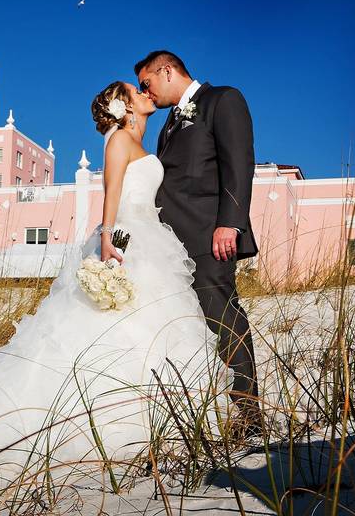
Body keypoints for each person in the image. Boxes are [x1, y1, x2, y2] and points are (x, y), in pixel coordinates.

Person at [0, 81, 233, 490]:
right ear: (124, 105)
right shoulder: (119, 140)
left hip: (152, 238)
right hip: (129, 238)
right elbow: (111, 194)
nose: (146, 92)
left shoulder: (138, 139)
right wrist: (109, 242)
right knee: (119, 324)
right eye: (138, 90)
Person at [135, 50, 261, 434]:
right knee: (194, 327)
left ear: (168, 71)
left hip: (210, 236)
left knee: (222, 317)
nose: (146, 92)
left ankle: (248, 413)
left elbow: (239, 163)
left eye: (147, 83)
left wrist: (230, 224)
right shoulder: (168, 124)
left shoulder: (222, 100)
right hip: (173, 247)